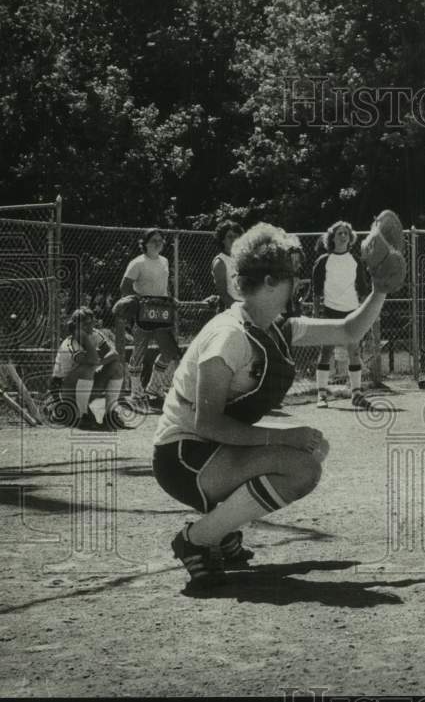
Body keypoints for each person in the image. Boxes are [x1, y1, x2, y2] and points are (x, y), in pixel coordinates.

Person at [152, 215, 405, 592]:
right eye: (290, 275)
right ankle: (197, 539)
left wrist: (380, 289)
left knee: (315, 446)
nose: (297, 282)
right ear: (269, 283)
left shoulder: (274, 325)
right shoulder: (230, 337)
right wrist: (283, 438)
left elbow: (349, 329)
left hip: (209, 451)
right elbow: (207, 423)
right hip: (183, 459)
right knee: (301, 467)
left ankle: (219, 530)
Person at [113, 228, 183, 413]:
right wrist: (140, 300)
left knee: (169, 351)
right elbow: (125, 287)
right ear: (144, 243)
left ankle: (154, 388)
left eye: (160, 240)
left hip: (162, 309)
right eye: (153, 240)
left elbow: (163, 286)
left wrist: (169, 298)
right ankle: (136, 393)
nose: (158, 243)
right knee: (139, 351)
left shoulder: (165, 261)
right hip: (143, 310)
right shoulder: (137, 263)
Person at [311, 221, 373, 409]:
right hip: (330, 311)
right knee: (326, 352)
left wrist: (363, 313)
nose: (343, 236)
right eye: (339, 233)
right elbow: (316, 291)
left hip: (351, 312)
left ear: (350, 237)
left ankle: (356, 394)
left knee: (354, 352)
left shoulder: (355, 261)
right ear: (332, 237)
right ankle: (321, 394)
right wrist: (316, 313)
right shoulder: (323, 261)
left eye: (346, 233)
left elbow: (363, 289)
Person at [49, 307, 125, 430]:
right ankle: (82, 415)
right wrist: (84, 338)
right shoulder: (71, 343)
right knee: (88, 368)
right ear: (76, 326)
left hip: (84, 387)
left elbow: (115, 353)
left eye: (91, 323)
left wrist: (100, 362)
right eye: (85, 324)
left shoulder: (95, 333)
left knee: (116, 367)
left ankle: (110, 414)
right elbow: (92, 360)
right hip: (64, 390)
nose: (90, 327)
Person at [210, 220, 245, 311]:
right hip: (231, 310)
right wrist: (238, 309)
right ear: (223, 240)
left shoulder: (244, 259)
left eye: (236, 236)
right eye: (229, 236)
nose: (233, 239)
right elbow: (223, 294)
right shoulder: (220, 262)